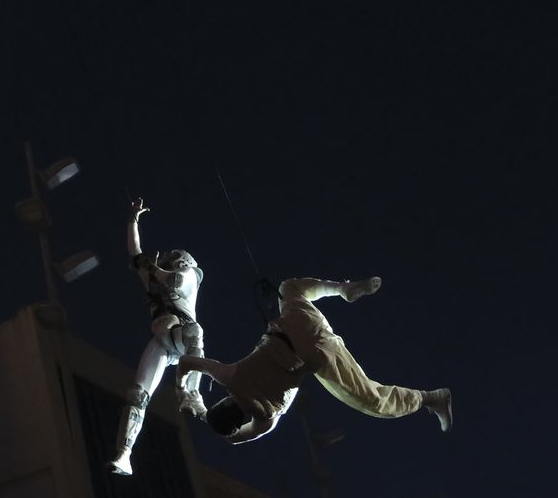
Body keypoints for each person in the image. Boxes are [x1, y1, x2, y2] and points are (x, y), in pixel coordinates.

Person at [178, 277, 453, 444]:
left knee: (372, 400)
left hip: (316, 352)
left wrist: (202, 415)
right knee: (288, 288)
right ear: (225, 401)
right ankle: (341, 288)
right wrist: (185, 391)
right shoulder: (229, 376)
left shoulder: (265, 418)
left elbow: (239, 438)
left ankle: (430, 398)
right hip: (297, 323)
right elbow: (186, 362)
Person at [109, 197, 207, 476]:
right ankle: (124, 453)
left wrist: (152, 269)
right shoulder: (155, 277)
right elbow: (135, 254)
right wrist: (133, 220)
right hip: (162, 338)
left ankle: (191, 393)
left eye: (173, 259)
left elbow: (174, 279)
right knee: (138, 394)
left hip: (182, 333)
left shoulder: (188, 276)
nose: (169, 261)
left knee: (195, 332)